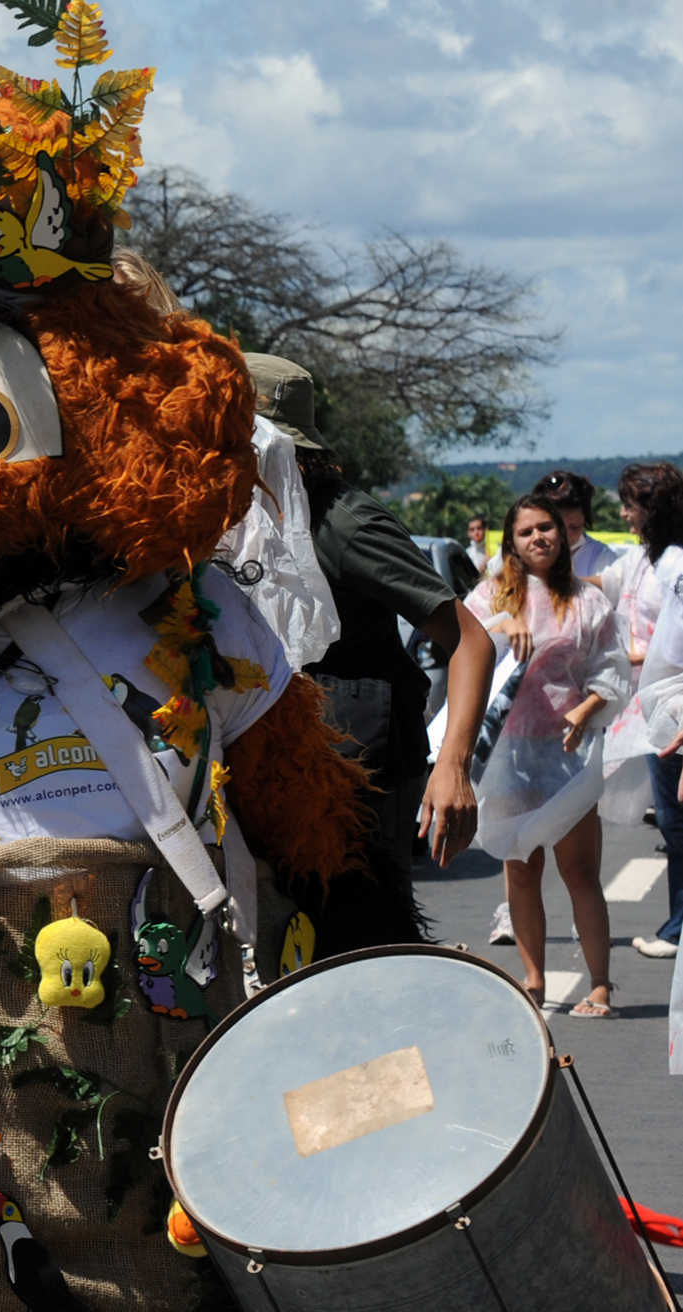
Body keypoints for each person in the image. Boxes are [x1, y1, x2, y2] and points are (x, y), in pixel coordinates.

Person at [249, 356, 493, 953]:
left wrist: (454, 766)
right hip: (281, 761)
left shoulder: (344, 523)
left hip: (361, 768)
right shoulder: (251, 519)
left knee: (361, 949)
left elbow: (470, 640)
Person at [468, 494, 630, 1016]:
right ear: (510, 543)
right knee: (520, 869)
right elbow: (459, 644)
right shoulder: (492, 595)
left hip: (568, 754)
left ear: (562, 534)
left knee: (580, 872)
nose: (538, 538)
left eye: (546, 528)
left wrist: (586, 711)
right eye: (525, 532)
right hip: (508, 755)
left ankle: (600, 983)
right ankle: (533, 980)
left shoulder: (586, 599)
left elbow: (611, 667)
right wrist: (498, 624)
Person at [601, 464, 683, 959]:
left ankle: (677, 927)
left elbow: (671, 650)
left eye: (631, 505)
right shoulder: (651, 559)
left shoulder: (674, 564)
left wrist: (629, 658)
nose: (624, 514)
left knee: (676, 825)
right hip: (660, 704)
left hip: (672, 707)